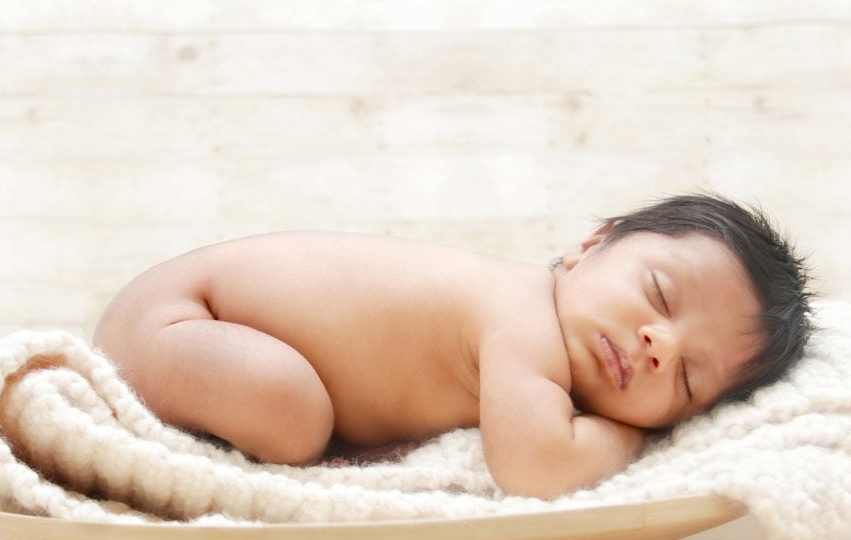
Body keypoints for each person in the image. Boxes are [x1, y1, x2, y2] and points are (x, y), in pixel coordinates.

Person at [93, 194, 812, 499]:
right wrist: (633, 435)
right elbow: (536, 465)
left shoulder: (534, 343)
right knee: (292, 416)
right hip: (176, 320)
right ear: (593, 243)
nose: (659, 344)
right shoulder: (523, 318)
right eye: (659, 292)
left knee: (296, 410)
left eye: (685, 379)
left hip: (191, 326)